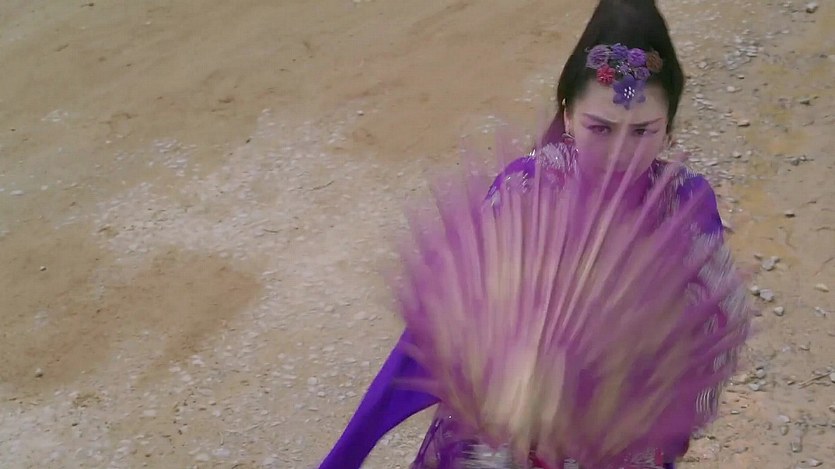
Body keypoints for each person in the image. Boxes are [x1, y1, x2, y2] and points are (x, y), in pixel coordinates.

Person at [319, 0, 727, 467]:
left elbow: (705, 336)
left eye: (643, 132)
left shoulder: (686, 206)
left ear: (669, 127)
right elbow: (453, 319)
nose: (620, 153)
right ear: (568, 116)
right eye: (601, 128)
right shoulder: (526, 189)